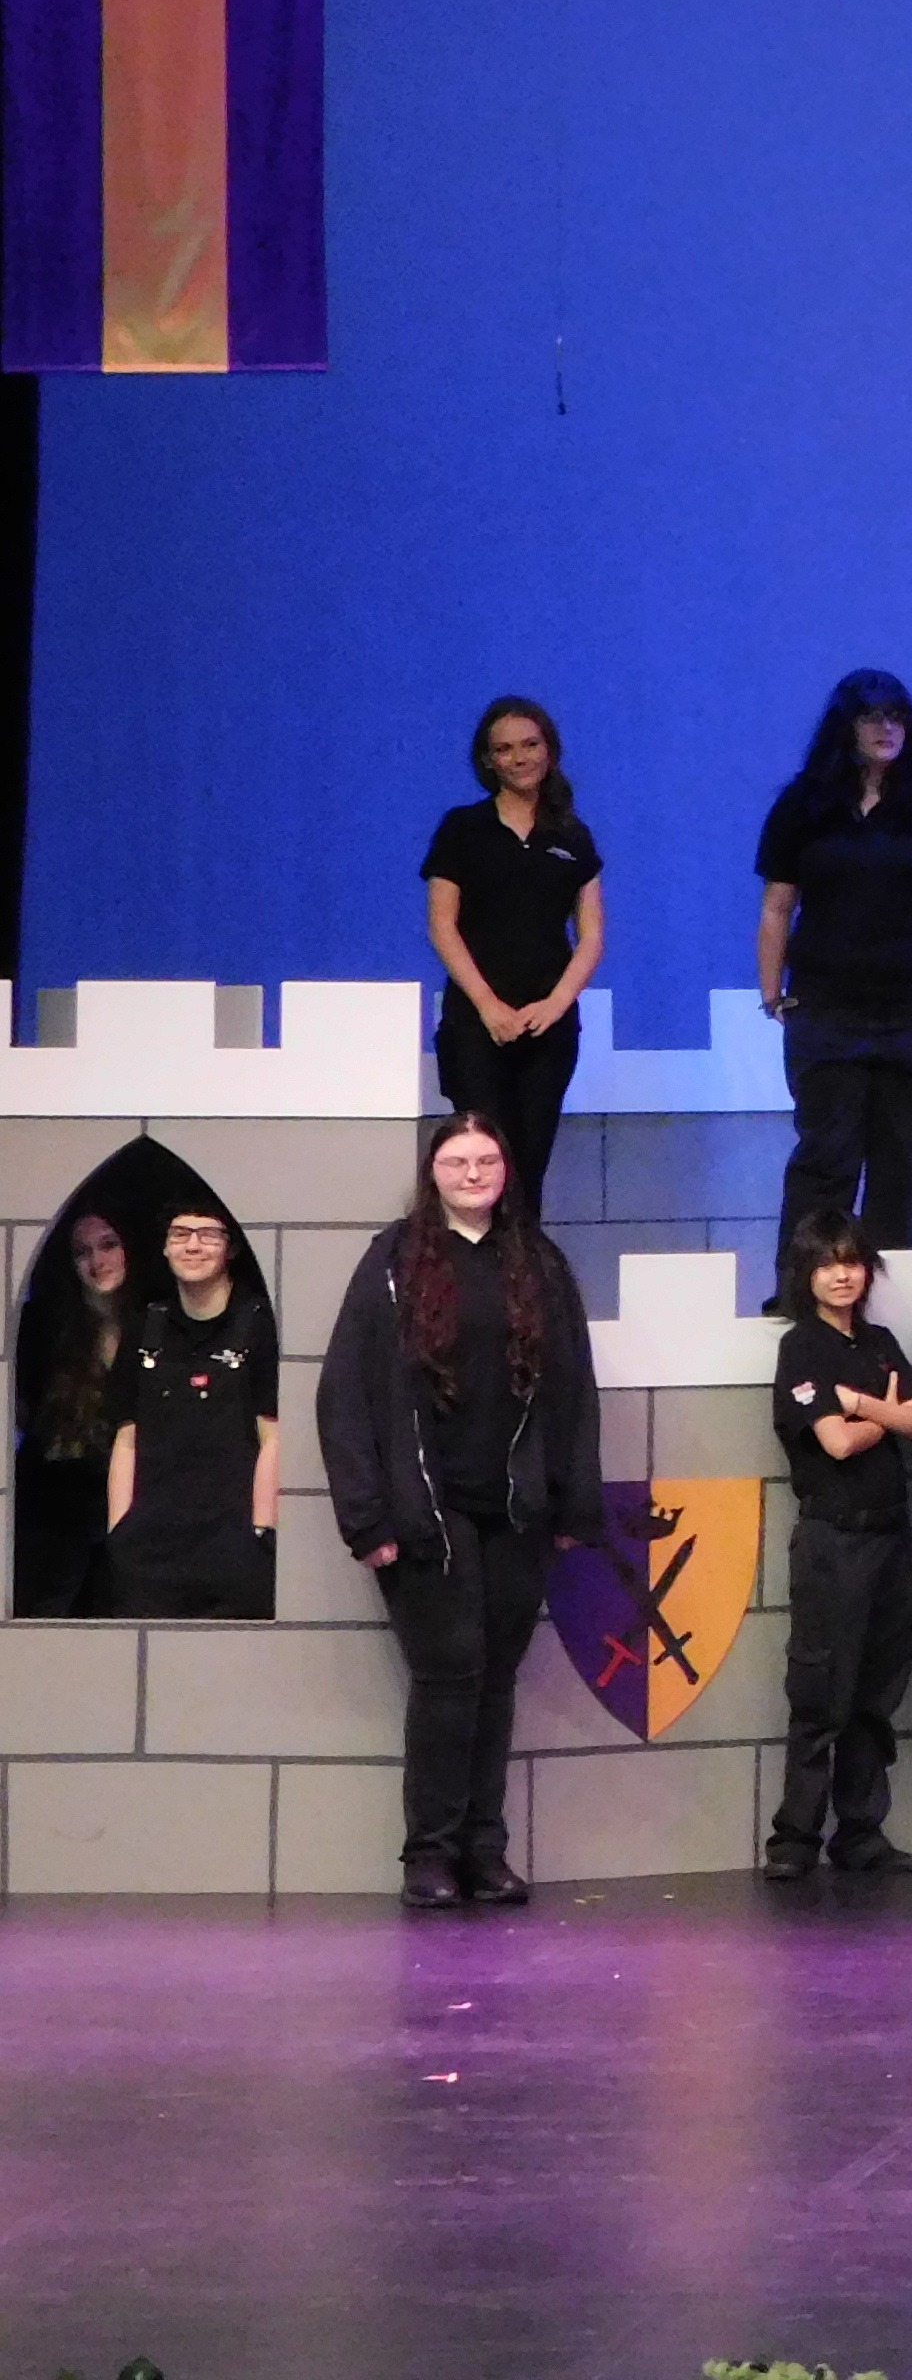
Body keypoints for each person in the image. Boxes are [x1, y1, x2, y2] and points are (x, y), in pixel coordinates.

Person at [318, 1114, 602, 1912]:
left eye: (486, 1160)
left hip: (517, 1514)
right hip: (424, 1518)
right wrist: (367, 1521)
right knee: (449, 1678)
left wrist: (574, 1505)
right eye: (456, 1161)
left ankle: (484, 1852)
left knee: (496, 1681)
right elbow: (344, 1394)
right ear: (432, 1173)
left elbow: (574, 1392)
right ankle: (430, 1857)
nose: (472, 1173)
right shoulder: (391, 1263)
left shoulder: (539, 1264)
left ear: (505, 1171)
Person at [757, 670, 912, 1263]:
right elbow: (778, 907)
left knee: (902, 1165)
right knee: (824, 1162)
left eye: (896, 717)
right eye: (872, 717)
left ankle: (890, 1300)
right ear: (846, 727)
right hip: (827, 1010)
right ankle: (803, 1298)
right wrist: (771, 994)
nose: (887, 729)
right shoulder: (803, 805)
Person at [762, 1213, 912, 1881]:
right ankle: (795, 1840)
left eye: (853, 1261)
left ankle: (861, 1833)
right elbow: (834, 1442)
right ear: (807, 1274)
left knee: (875, 1694)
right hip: (833, 1538)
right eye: (828, 1263)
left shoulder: (881, 1342)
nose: (842, 1275)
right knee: (821, 1694)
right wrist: (887, 1416)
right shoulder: (801, 1347)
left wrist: (865, 1405)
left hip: (893, 1536)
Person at [419, 695, 605, 1213]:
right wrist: (487, 1005)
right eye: (505, 749)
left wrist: (555, 1005)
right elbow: (441, 925)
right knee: (482, 1160)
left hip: (548, 1028)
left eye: (530, 745)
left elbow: (591, 936)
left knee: (529, 1165)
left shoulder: (572, 835)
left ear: (549, 751)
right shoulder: (462, 829)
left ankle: (523, 1263)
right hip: (477, 1023)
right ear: (488, 760)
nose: (519, 758)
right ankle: (474, 1261)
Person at [101, 1205, 279, 1619]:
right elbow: (127, 1438)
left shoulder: (259, 1324)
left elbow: (272, 1437)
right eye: (180, 1234)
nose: (193, 1246)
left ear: (230, 1248)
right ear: (164, 1247)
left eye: (208, 1235)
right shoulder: (145, 1326)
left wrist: (262, 1533)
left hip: (233, 1546)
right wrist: (120, 1532)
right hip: (149, 1550)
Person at [15, 1213, 133, 1618]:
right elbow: (24, 1414)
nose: (97, 1260)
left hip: (131, 1510)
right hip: (53, 1515)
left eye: (108, 1244)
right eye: (82, 1252)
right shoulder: (43, 1330)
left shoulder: (156, 1325)